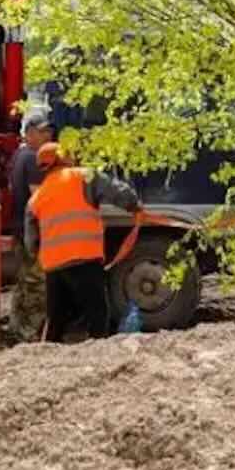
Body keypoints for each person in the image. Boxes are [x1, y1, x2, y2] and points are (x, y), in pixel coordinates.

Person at [24, 140, 142, 342]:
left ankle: (48, 354)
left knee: (56, 318)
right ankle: (98, 353)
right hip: (84, 259)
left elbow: (31, 240)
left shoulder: (38, 196)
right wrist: (134, 205)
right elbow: (118, 192)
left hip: (54, 266)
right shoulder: (83, 176)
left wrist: (41, 255)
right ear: (63, 157)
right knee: (97, 314)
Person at [7, 110, 54, 341]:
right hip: (32, 232)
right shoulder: (34, 159)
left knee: (24, 282)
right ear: (29, 133)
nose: (48, 136)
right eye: (42, 131)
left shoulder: (19, 155)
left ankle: (17, 329)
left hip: (20, 228)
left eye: (48, 131)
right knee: (37, 284)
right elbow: (39, 199)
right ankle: (31, 334)